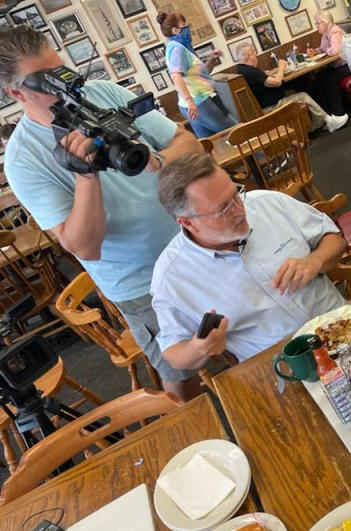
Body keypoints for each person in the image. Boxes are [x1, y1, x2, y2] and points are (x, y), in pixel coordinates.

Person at [0, 25, 203, 400]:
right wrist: (85, 176)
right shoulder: (24, 159)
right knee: (180, 373)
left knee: (244, 330)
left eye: (62, 72)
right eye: (46, 82)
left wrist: (157, 161)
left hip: (197, 243)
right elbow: (85, 247)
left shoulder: (103, 93)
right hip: (143, 283)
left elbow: (189, 144)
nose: (65, 88)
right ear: (16, 92)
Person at [152, 153, 347, 369]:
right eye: (224, 210)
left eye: (236, 195)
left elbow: (334, 239)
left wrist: (315, 260)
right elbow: (173, 352)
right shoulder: (172, 275)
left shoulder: (267, 203)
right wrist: (200, 348)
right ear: (188, 223)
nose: (239, 210)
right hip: (281, 366)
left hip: (344, 327)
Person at [156, 11, 239, 137]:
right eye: (184, 25)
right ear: (176, 30)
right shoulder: (176, 48)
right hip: (201, 101)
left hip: (195, 102)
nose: (188, 29)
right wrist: (190, 101)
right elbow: (176, 76)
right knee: (238, 132)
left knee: (212, 143)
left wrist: (212, 59)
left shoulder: (181, 48)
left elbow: (199, 76)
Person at [234, 44, 348, 133]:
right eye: (254, 52)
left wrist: (276, 70)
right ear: (249, 55)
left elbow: (264, 75)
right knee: (302, 95)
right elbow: (277, 82)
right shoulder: (249, 72)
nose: (256, 55)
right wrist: (281, 67)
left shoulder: (241, 70)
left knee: (295, 89)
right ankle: (329, 121)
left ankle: (315, 124)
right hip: (270, 107)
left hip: (266, 103)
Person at [309, 10, 349, 118]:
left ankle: (339, 114)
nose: (316, 26)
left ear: (326, 22)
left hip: (346, 65)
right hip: (336, 66)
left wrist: (325, 51)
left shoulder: (335, 32)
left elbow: (335, 50)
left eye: (318, 23)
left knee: (329, 79)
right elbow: (323, 49)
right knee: (318, 78)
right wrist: (316, 51)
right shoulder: (325, 35)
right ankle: (327, 115)